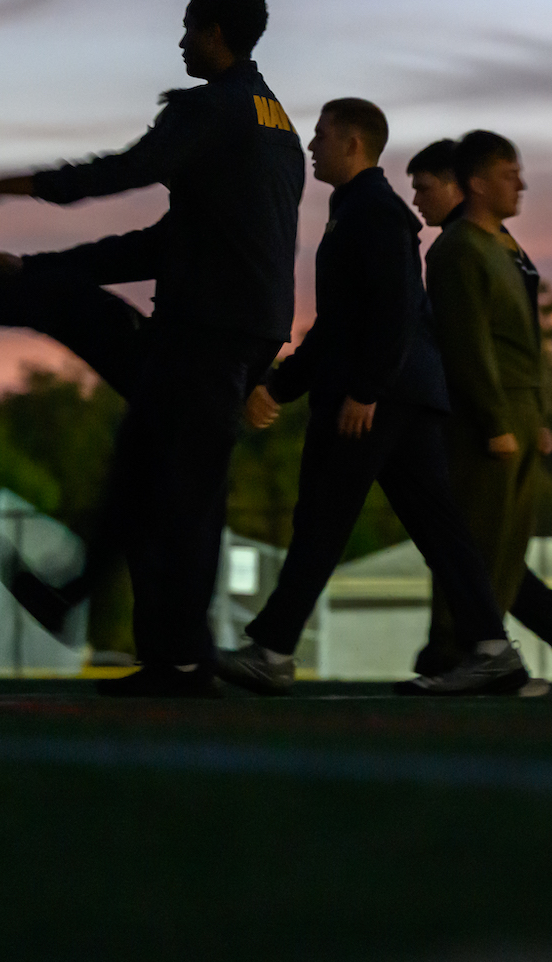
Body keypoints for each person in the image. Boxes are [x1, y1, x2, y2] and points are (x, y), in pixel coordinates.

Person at [0, 0, 303, 697]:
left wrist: (1, 184)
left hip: (206, 335)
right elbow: (164, 243)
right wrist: (41, 263)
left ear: (215, 32)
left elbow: (122, 171)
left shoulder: (214, 109)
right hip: (234, 332)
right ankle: (117, 618)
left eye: (187, 27)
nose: (179, 40)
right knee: (150, 468)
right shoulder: (275, 125)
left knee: (179, 492)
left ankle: (178, 654)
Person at [212, 100, 532, 697]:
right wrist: (282, 384)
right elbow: (340, 324)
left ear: (354, 144)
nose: (312, 145)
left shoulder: (373, 214)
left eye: (322, 135)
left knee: (322, 520)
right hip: (399, 397)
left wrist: (365, 391)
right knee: (438, 528)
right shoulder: (359, 210)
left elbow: (394, 309)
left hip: (377, 399)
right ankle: (493, 650)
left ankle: (273, 649)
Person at [421, 131, 552, 692]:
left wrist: (522, 417)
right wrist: (503, 419)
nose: (521, 183)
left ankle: (468, 654)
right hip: (501, 412)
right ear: (477, 183)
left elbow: (503, 341)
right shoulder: (469, 249)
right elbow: (470, 344)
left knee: (482, 543)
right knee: (481, 541)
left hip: (508, 411)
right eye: (509, 173)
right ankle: (480, 650)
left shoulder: (494, 249)